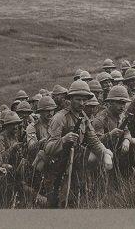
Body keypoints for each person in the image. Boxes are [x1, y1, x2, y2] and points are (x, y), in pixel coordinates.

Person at [43, 80, 114, 208]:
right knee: (59, 202)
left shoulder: (83, 117)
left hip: (75, 164)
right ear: (70, 99)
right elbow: (48, 148)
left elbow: (93, 140)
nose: (82, 103)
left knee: (76, 199)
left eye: (84, 100)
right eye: (78, 99)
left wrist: (104, 153)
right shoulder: (60, 118)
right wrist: (64, 140)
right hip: (57, 168)